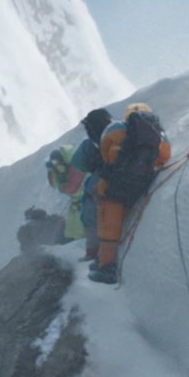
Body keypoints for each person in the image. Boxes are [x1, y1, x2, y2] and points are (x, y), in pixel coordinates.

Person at [89, 103, 170, 284]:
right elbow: (165, 156)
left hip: (114, 183)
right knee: (122, 216)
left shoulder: (116, 128)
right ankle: (104, 259)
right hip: (140, 185)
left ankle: (106, 268)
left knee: (108, 224)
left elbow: (104, 150)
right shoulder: (159, 134)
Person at [72, 109, 112, 262]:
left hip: (100, 181)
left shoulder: (90, 144)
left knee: (90, 214)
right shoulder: (120, 134)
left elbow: (79, 164)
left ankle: (93, 252)